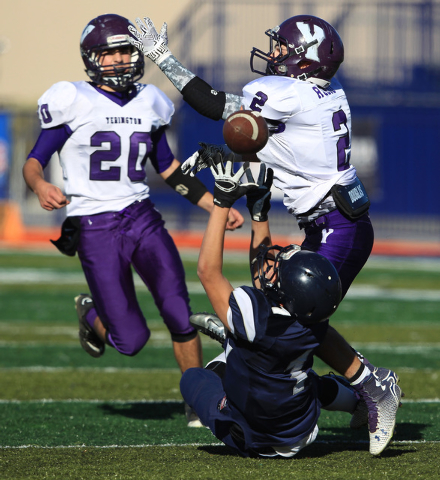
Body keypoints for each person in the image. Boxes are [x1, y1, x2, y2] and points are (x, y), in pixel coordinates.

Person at [128, 14, 402, 453]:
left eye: (282, 46)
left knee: (295, 325)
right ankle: (337, 386)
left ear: (303, 58)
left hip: (337, 228)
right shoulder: (322, 94)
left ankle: (375, 385)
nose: (273, 53)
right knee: (276, 311)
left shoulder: (285, 92)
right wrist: (226, 153)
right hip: (334, 223)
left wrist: (164, 59)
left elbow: (219, 106)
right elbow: (275, 145)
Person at [22, 13, 244, 427]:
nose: (122, 59)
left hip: (141, 216)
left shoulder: (152, 101)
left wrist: (215, 204)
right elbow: (34, 161)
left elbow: (168, 168)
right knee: (131, 341)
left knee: (179, 311)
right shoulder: (71, 98)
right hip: (94, 224)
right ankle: (92, 314)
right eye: (112, 53)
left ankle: (198, 399)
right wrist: (39, 187)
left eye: (127, 50)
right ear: (92, 58)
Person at [181, 154, 375, 458]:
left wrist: (222, 202)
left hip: (255, 436)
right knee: (292, 377)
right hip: (300, 428)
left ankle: (232, 344)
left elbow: (208, 271)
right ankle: (355, 401)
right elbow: (265, 283)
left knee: (197, 377)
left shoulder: (258, 319)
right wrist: (260, 213)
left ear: (289, 294)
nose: (273, 267)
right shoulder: (312, 320)